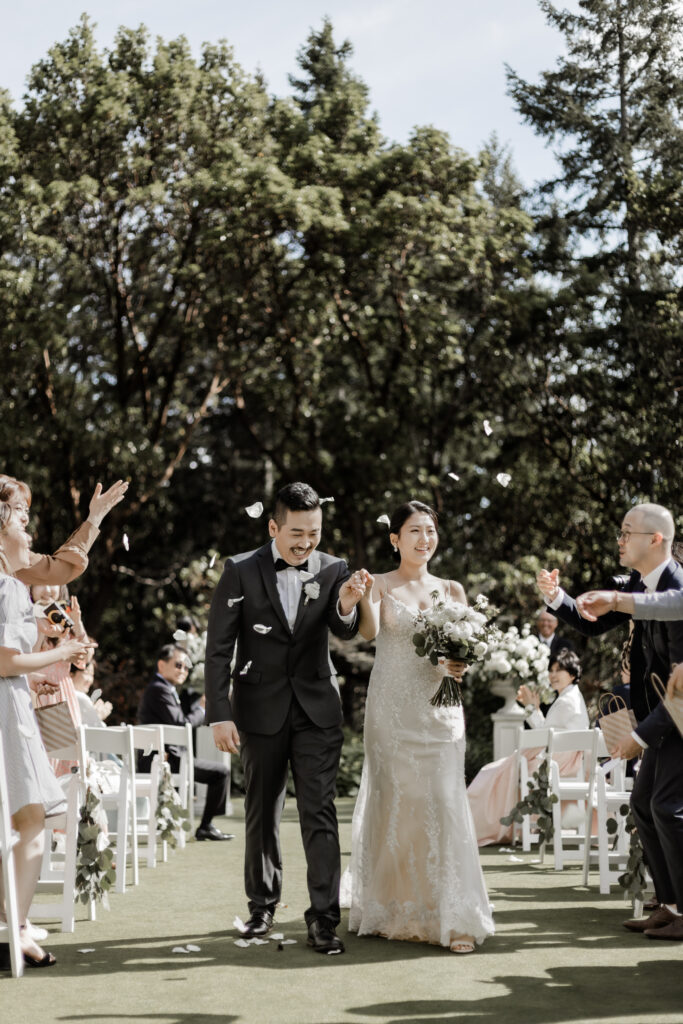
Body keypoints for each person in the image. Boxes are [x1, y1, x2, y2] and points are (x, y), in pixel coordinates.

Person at [205, 482, 362, 954]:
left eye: (313, 532)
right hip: (257, 711)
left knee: (319, 813)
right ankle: (261, 909)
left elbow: (342, 627)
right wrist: (219, 713)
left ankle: (323, 920)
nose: (305, 542)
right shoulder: (239, 570)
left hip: (317, 710)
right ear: (273, 526)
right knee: (262, 812)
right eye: (296, 532)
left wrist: (350, 602)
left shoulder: (335, 568)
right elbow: (218, 648)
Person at [344, 500, 494, 954]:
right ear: (395, 539)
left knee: (447, 802)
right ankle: (395, 908)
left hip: (440, 712)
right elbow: (368, 633)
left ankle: (454, 916)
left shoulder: (452, 589)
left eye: (430, 531)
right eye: (414, 531)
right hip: (391, 710)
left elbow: (467, 651)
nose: (424, 539)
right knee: (399, 805)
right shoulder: (381, 583)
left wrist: (459, 663)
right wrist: (357, 594)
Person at [537, 502, 683, 941]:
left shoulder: (675, 586)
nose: (619, 540)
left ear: (655, 539)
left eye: (626, 532)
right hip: (665, 714)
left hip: (675, 716)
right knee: (644, 805)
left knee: (667, 808)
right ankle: (668, 903)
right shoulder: (644, 583)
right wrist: (556, 599)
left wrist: (640, 735)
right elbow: (596, 623)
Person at [0, 501, 94, 969]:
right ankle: (15, 932)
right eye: (19, 521)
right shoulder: (7, 588)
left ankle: (14, 927)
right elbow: (5, 663)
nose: (29, 530)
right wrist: (70, 646)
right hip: (7, 707)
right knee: (31, 820)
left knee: (21, 820)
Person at [468, 648, 589, 845]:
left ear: (573, 674)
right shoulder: (571, 696)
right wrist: (533, 707)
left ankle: (481, 823)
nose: (553, 675)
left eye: (559, 670)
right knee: (502, 769)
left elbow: (544, 734)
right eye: (551, 670)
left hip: (559, 761)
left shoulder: (567, 701)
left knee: (494, 771)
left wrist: (532, 707)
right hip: (561, 758)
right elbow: (547, 732)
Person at [138, 644, 233, 842]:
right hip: (164, 760)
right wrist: (202, 709)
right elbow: (182, 725)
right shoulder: (159, 689)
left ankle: (205, 826)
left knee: (220, 772)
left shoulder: (165, 688)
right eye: (178, 665)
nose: (183, 670)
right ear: (161, 665)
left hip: (170, 757)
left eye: (186, 667)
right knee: (220, 773)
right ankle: (205, 826)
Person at [0, 475, 128, 587]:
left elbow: (59, 570)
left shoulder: (16, 555)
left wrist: (95, 517)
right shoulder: (13, 555)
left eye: (26, 510)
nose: (25, 519)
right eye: (18, 508)